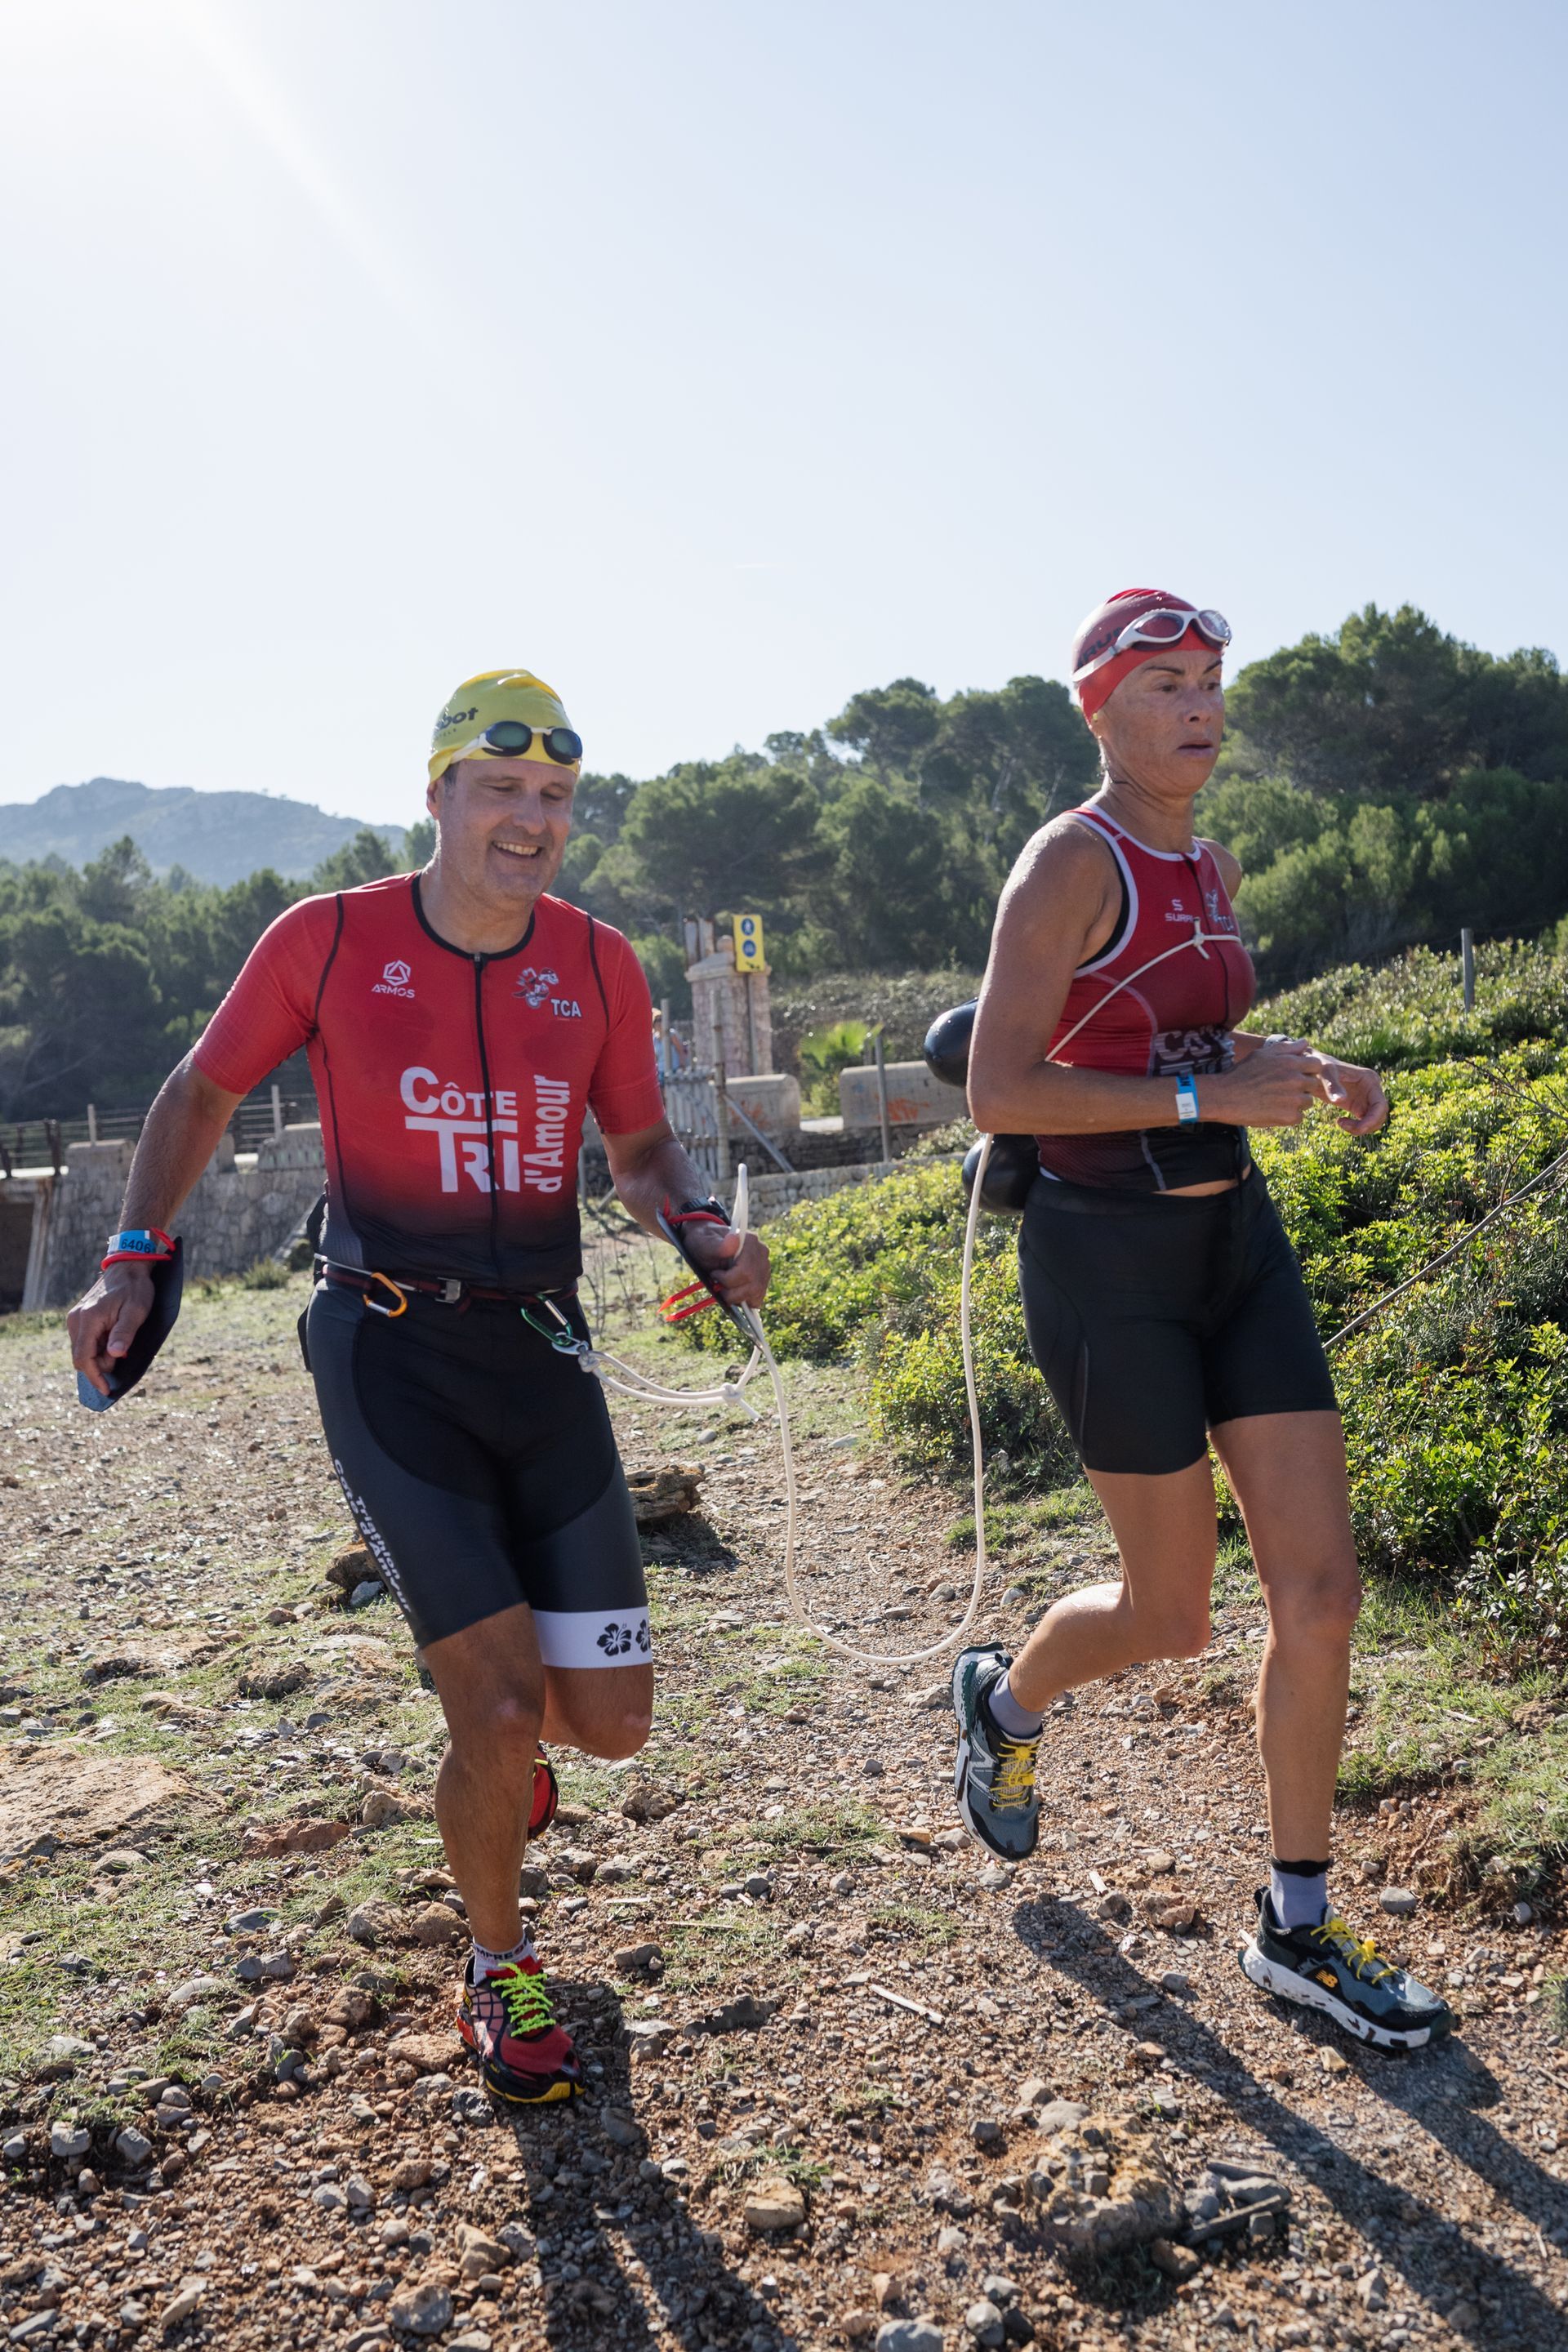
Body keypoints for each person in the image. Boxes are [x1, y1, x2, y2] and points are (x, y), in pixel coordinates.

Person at [68, 670, 771, 2104]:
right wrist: (134, 1253)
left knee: (611, 1721)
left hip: (546, 1348)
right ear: (438, 793)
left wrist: (698, 1225)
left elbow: (641, 1154)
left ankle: (500, 1761)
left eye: (555, 796)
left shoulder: (598, 961)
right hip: (387, 1347)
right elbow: (201, 1092)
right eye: (501, 788)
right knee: (499, 1713)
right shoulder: (326, 939)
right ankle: (498, 1968)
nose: (531, 818)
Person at [949, 590, 1451, 2051]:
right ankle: (1007, 1700)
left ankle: (1298, 1926)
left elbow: (1181, 1032)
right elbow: (1000, 1088)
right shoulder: (1069, 860)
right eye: (1165, 682)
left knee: (1321, 1590)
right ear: (1101, 711)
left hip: (1238, 1244)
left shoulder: (1208, 864)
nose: (1200, 707)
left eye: (1212, 680)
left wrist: (1305, 1064)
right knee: (1171, 1615)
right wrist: (1202, 1093)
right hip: (1106, 1262)